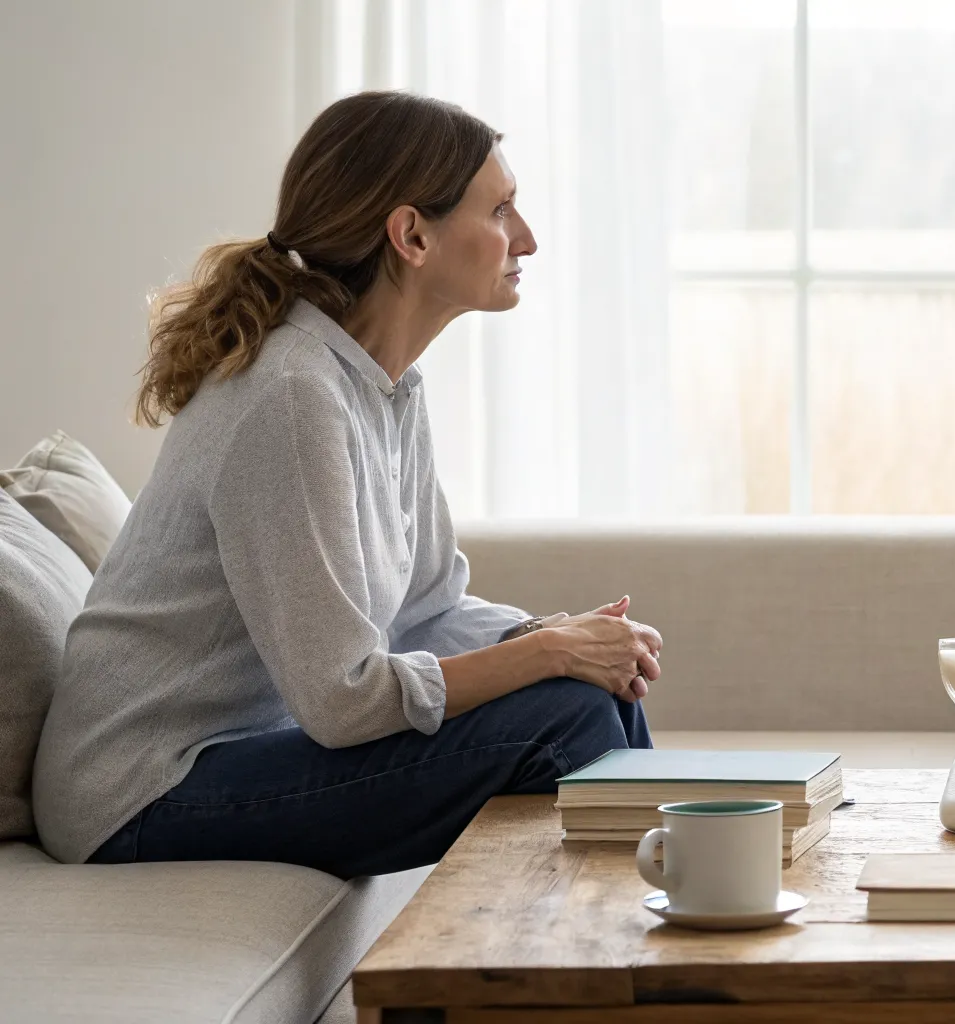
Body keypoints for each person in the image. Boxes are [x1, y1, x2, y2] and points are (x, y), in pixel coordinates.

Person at [32, 92, 661, 880]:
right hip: (143, 792)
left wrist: (552, 638)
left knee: (604, 687)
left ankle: (661, 908)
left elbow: (426, 609)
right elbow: (344, 700)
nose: (526, 237)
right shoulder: (290, 396)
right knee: (565, 715)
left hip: (236, 754)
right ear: (412, 236)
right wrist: (548, 656)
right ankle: (635, 927)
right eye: (501, 210)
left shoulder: (383, 386)